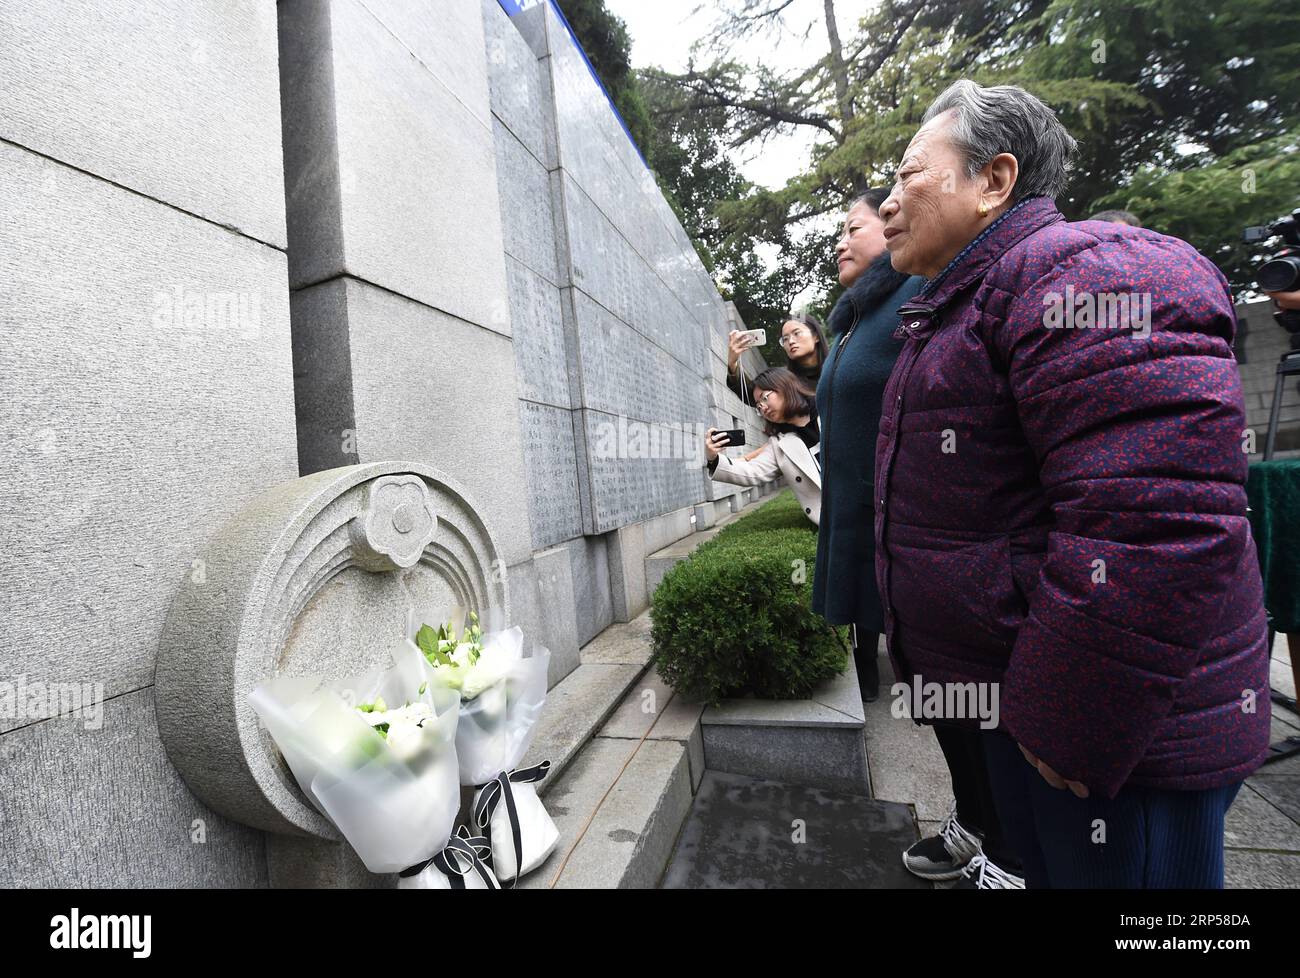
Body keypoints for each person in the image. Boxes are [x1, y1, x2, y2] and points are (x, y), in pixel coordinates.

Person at [875, 79, 1271, 890]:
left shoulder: (1083, 274)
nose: (886, 204)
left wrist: (1069, 721)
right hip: (1040, 721)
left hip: (1118, 743)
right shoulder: (964, 302)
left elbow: (1155, 524)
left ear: (994, 180)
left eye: (909, 175)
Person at [812, 189, 924, 705]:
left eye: (853, 229)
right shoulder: (856, 316)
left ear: (893, 222)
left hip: (904, 526)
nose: (840, 243)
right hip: (856, 506)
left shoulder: (921, 296)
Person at [705, 368, 822, 524]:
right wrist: (713, 458)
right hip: (832, 514)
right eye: (759, 407)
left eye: (765, 398)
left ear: (785, 386)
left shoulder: (830, 407)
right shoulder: (780, 443)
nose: (763, 408)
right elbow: (752, 472)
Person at [725, 315, 829, 404]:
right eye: (785, 339)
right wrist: (732, 363)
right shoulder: (783, 380)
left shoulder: (838, 368)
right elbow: (753, 394)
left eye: (796, 333)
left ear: (816, 336)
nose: (791, 341)